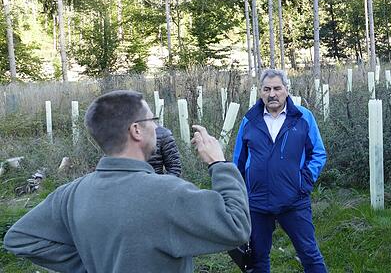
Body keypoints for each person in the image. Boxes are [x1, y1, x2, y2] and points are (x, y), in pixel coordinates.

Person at [3, 90, 251, 273]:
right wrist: (219, 163)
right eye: (152, 120)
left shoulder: (69, 194)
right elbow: (236, 226)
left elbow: (19, 239)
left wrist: (91, 264)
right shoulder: (169, 193)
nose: (156, 126)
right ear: (136, 130)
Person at [233, 69, 328, 273]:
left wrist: (303, 183)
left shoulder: (303, 117)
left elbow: (318, 154)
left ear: (286, 90)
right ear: (260, 92)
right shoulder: (249, 121)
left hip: (293, 200)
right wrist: (242, 194)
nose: (272, 94)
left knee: (309, 254)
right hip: (257, 202)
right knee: (257, 258)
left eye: (277, 88)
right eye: (267, 89)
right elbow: (238, 161)